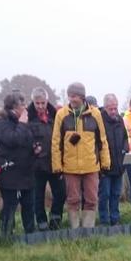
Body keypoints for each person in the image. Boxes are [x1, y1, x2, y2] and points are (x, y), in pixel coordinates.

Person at [52, 82, 110, 229]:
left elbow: (102, 140)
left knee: (91, 199)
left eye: (75, 96)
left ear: (82, 97)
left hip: (91, 166)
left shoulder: (96, 114)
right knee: (73, 200)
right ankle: (75, 230)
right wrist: (57, 166)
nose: (72, 99)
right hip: (70, 167)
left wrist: (105, 163)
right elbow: (56, 142)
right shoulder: (61, 115)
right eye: (70, 96)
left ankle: (88, 230)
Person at [0, 93, 36, 235]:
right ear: (14, 107)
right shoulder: (2, 123)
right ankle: (6, 234)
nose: (25, 108)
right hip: (10, 172)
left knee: (29, 205)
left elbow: (26, 141)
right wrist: (23, 124)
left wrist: (35, 148)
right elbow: (13, 140)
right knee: (10, 205)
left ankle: (30, 234)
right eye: (22, 105)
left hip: (26, 171)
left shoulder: (23, 122)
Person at [28, 88, 64, 230]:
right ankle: (41, 223)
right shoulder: (28, 117)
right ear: (33, 103)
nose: (40, 106)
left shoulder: (55, 115)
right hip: (37, 165)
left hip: (54, 162)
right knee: (38, 196)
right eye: (37, 103)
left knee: (61, 193)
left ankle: (55, 218)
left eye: (43, 103)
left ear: (47, 101)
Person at [98, 94, 129, 226]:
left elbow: (125, 138)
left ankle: (115, 218)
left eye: (115, 108)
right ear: (105, 107)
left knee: (116, 194)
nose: (113, 111)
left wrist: (125, 148)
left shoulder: (120, 120)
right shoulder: (99, 121)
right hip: (105, 166)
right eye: (110, 108)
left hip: (119, 164)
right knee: (104, 194)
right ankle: (104, 220)